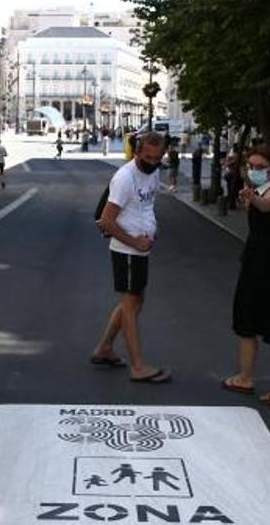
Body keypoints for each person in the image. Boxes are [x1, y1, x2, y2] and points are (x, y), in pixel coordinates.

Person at [221, 146, 270, 410]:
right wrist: (250, 199)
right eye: (251, 166)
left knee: (247, 319)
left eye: (259, 166)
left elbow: (267, 206)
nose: (253, 171)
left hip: (262, 265)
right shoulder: (262, 190)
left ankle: (246, 378)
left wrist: (252, 200)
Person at [90, 131, 170, 384]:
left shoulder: (153, 171)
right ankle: (138, 366)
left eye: (158, 158)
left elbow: (145, 207)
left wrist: (150, 232)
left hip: (140, 249)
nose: (153, 162)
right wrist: (136, 241)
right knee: (131, 305)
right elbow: (106, 220)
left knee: (133, 303)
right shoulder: (125, 178)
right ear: (136, 152)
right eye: (148, 157)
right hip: (127, 250)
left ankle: (104, 348)